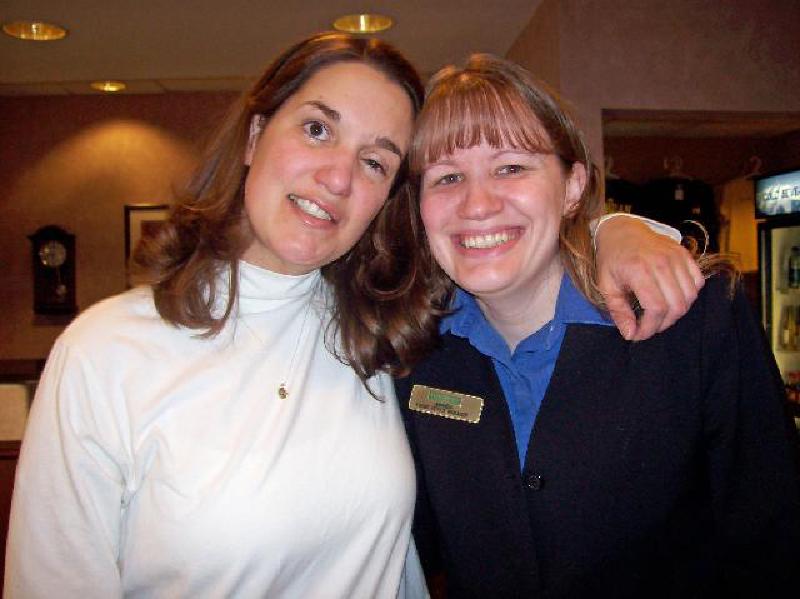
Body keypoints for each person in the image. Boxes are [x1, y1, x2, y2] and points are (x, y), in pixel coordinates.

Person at [5, 33, 701, 598]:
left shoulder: (385, 333)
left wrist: (619, 229)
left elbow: (513, 245)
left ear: (387, 199)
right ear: (253, 137)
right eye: (316, 129)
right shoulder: (106, 352)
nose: (338, 177)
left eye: (375, 161)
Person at [395, 54, 800, 598]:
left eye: (511, 167)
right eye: (447, 177)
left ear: (571, 187)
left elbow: (776, 542)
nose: (478, 203)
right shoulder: (411, 353)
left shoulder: (697, 321)